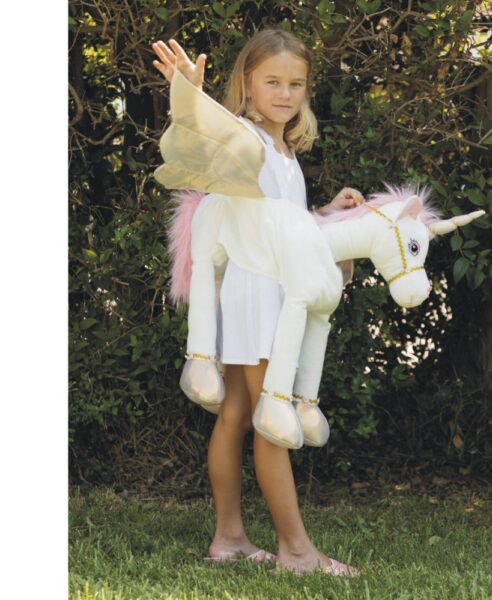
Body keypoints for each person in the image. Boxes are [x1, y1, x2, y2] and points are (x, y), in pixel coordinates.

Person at [151, 28, 363, 577]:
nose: (285, 94)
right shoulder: (244, 139)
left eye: (296, 84)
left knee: (239, 413)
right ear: (247, 83)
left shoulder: (284, 150)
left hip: (266, 291)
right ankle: (297, 551)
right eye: (273, 81)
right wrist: (189, 94)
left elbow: (277, 228)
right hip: (256, 296)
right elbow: (203, 137)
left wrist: (326, 215)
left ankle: (229, 538)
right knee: (273, 418)